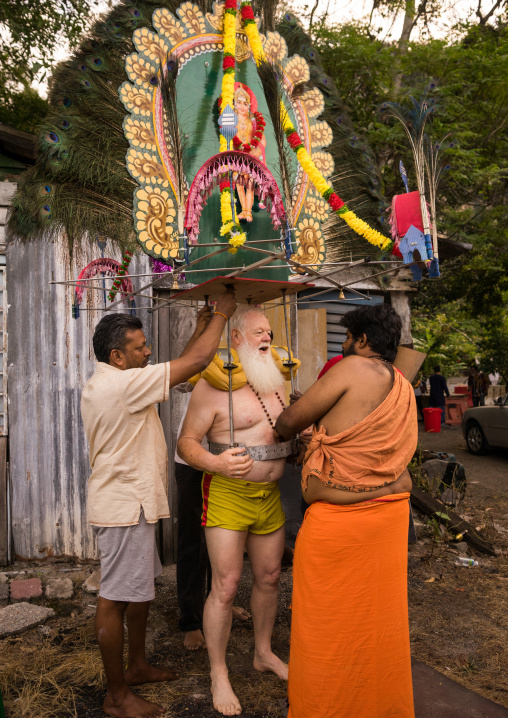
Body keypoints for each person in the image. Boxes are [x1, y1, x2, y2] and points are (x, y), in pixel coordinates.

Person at [81, 290, 236, 718]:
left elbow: (177, 366)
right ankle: (117, 696)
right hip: (123, 508)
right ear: (117, 356)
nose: (148, 352)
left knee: (139, 591)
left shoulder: (119, 379)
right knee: (114, 598)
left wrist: (204, 325)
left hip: (134, 505)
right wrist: (223, 314)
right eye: (140, 348)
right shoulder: (122, 385)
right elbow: (196, 364)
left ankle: (136, 665)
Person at [274, 303, 418, 718]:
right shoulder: (403, 386)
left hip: (341, 523)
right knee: (376, 622)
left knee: (328, 626)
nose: (344, 344)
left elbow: (288, 422)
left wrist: (304, 414)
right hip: (389, 518)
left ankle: (326, 707)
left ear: (363, 340)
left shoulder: (351, 368)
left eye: (348, 337)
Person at [178, 306, 290, 717]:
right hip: (227, 493)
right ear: (237, 338)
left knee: (270, 577)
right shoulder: (212, 386)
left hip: (270, 496)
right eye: (258, 331)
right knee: (225, 586)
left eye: (270, 331)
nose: (267, 337)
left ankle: (263, 652)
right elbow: (186, 443)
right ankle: (219, 672)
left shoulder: (279, 380)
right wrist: (218, 463)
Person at [174, 393, 250, 652]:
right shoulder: (202, 360)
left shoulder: (253, 359)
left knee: (225, 539)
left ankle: (220, 605)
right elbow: (184, 381)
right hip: (194, 461)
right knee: (193, 541)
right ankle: (191, 621)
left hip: (230, 461)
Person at [233, 84, 267, 221]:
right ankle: (244, 211)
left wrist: (255, 152)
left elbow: (262, 140)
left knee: (250, 187)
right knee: (239, 186)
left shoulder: (253, 122)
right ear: (234, 104)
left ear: (249, 106)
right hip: (237, 158)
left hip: (249, 157)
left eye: (245, 104)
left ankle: (248, 212)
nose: (242, 106)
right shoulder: (231, 120)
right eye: (239, 103)